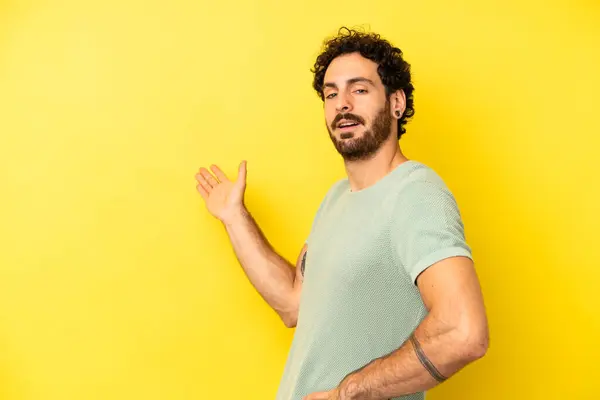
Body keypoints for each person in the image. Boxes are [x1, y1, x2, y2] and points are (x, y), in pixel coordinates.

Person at [195, 27, 489, 400]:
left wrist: (347, 392)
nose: (342, 104)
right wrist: (235, 218)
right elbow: (292, 303)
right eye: (331, 93)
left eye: (359, 89)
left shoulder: (415, 193)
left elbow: (464, 332)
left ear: (396, 103)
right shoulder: (337, 198)